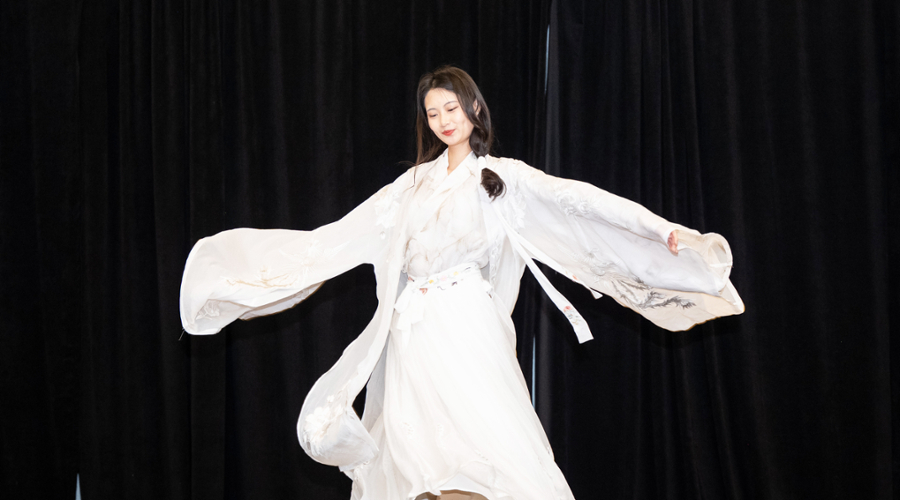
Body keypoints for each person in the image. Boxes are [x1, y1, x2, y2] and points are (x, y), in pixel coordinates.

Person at [179, 66, 744, 500]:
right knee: (416, 453)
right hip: (413, 329)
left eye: (451, 107)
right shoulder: (413, 183)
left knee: (487, 442)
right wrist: (254, 284)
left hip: (465, 320)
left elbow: (581, 201)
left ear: (473, 107)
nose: (444, 120)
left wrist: (660, 228)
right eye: (432, 113)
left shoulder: (500, 176)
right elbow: (338, 237)